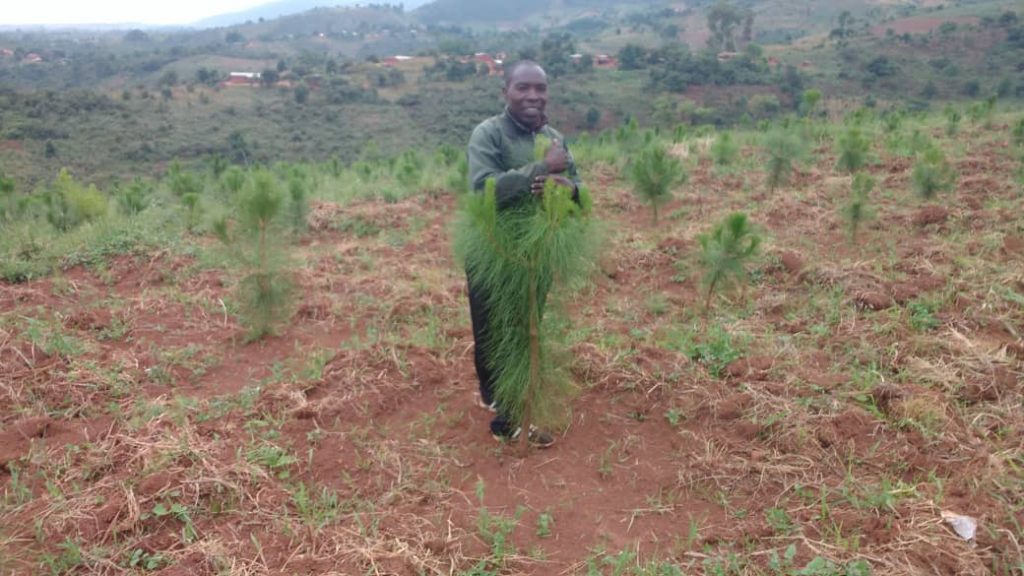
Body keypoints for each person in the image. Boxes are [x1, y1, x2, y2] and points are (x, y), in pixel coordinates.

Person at [465, 61, 581, 448]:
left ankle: (519, 394)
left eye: (540, 89)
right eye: (523, 88)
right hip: (495, 250)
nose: (533, 96)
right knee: (491, 329)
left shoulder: (554, 137)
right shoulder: (489, 134)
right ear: (506, 93)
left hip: (538, 251)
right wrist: (539, 169)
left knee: (527, 325)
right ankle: (502, 407)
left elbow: (576, 183)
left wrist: (570, 188)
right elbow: (483, 190)